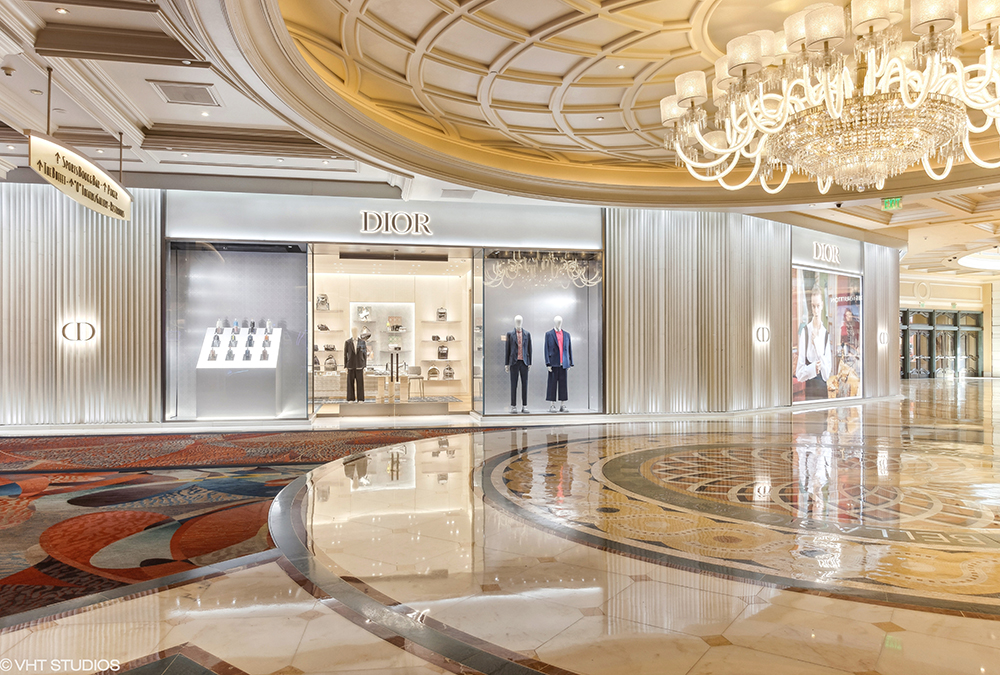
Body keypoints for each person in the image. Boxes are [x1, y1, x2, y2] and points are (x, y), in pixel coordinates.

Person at [795, 283, 832, 400]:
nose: (815, 310)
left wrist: (817, 345)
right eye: (813, 306)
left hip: (823, 393)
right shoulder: (805, 332)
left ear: (822, 306)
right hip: (810, 393)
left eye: (818, 306)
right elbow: (799, 374)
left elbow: (826, 374)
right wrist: (812, 368)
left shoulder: (825, 334)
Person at [504, 315, 532, 414]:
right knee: (513, 384)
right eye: (517, 321)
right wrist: (507, 363)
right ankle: (513, 406)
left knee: (525, 384)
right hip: (514, 362)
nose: (518, 323)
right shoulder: (510, 334)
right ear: (514, 322)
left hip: (524, 362)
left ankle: (524, 405)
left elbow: (529, 349)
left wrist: (530, 362)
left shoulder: (527, 334)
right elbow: (507, 349)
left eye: (520, 321)